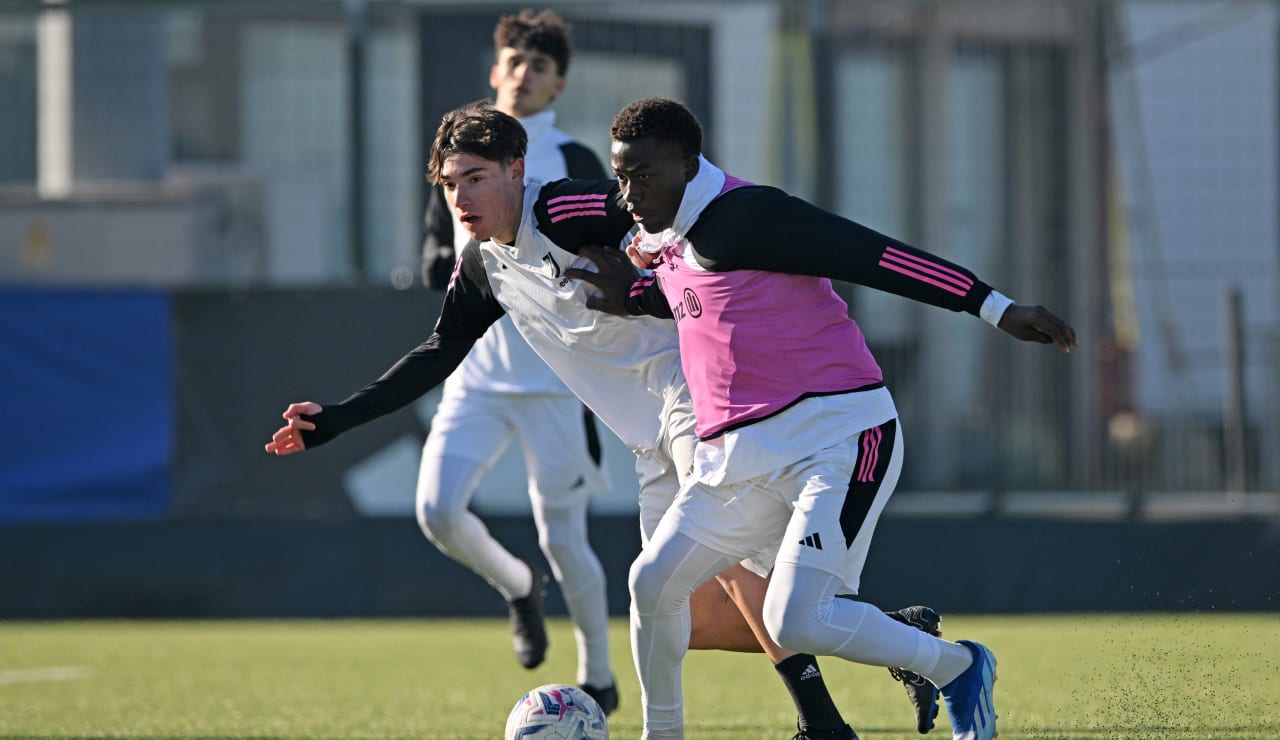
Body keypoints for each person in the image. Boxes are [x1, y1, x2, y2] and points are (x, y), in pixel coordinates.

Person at [265, 102, 938, 740]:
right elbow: (438, 353)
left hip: (700, 402)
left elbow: (658, 224)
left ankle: (819, 721)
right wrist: (337, 419)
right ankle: (896, 636)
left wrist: (641, 272)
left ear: (517, 170)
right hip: (648, 439)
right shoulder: (482, 268)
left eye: (476, 178)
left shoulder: (566, 207)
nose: (462, 198)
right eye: (450, 185)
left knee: (711, 582)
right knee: (692, 619)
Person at [566, 97, 1079, 740]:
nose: (629, 193)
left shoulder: (749, 215)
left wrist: (995, 306)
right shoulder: (666, 230)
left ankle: (960, 666)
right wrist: (633, 295)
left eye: (643, 174)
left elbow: (877, 256)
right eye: (621, 176)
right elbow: (704, 300)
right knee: (652, 582)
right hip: (739, 457)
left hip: (838, 435)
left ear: (690, 165)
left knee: (794, 623)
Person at [416, 9, 617, 712]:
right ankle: (518, 587)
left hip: (555, 381)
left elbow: (612, 257)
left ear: (558, 85)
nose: (523, 74)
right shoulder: (457, 153)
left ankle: (599, 674)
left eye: (539, 66)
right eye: (513, 61)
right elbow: (438, 252)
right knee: (437, 510)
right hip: (478, 376)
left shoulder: (576, 164)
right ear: (494, 70)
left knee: (564, 536)